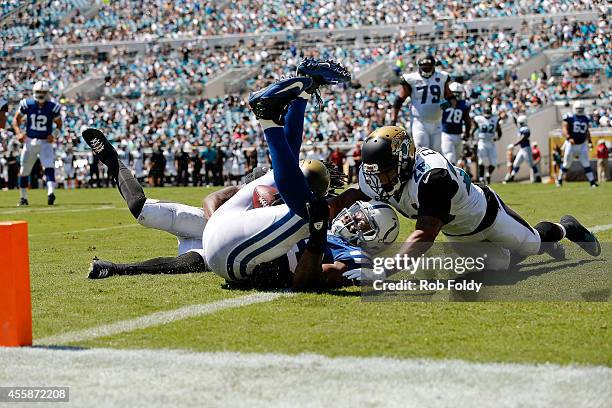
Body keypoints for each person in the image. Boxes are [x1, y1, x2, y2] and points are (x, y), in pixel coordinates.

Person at [330, 126, 601, 277]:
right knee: (499, 268)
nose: (381, 179)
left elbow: (424, 234)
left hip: (487, 216)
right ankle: (538, 246)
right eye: (376, 172)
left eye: (387, 170)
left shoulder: (432, 175)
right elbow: (350, 197)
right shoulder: (378, 175)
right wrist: (320, 217)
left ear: (404, 160)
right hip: (458, 232)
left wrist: (386, 269)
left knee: (531, 244)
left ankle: (565, 228)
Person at [12, 81, 63, 206]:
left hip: (45, 141)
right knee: (24, 170)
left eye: (43, 92)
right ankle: (23, 197)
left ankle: (51, 193)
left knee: (49, 167)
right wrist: (18, 133)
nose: (40, 94)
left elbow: (59, 124)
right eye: (39, 92)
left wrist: (54, 135)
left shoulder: (52, 107)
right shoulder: (27, 104)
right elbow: (15, 120)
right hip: (30, 141)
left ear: (47, 93)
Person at [391, 54, 455, 152]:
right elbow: (398, 101)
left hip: (437, 122)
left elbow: (451, 98)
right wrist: (393, 120)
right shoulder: (411, 79)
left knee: (437, 153)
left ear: (434, 66)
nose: (427, 69)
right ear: (419, 66)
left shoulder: (442, 77)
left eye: (429, 66)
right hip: (419, 122)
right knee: (422, 149)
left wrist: (447, 104)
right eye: (424, 66)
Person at [557, 101, 597, 187]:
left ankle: (592, 182)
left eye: (581, 109)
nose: (579, 111)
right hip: (571, 144)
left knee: (586, 163)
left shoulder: (586, 118)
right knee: (566, 164)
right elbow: (564, 128)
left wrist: (589, 141)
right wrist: (568, 137)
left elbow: (587, 131)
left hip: (582, 144)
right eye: (578, 109)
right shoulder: (569, 117)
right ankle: (559, 180)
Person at [441, 82, 471, 165]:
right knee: (450, 157)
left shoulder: (445, 103)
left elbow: (467, 120)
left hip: (458, 135)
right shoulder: (463, 104)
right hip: (446, 134)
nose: (456, 96)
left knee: (456, 158)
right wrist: (467, 133)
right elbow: (467, 121)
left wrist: (467, 133)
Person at [504, 115, 541, 183]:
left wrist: (514, 144)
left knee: (531, 164)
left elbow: (523, 138)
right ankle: (512, 176)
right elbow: (516, 123)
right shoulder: (521, 128)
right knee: (516, 163)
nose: (519, 124)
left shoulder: (526, 129)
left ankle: (538, 177)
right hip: (522, 149)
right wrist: (513, 117)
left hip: (526, 148)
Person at [472, 105, 501, 184]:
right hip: (482, 141)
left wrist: (497, 138)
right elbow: (474, 127)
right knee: (481, 161)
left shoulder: (495, 119)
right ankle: (481, 178)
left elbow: (499, 131)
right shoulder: (479, 119)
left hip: (491, 142)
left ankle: (488, 174)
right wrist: (473, 138)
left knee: (494, 162)